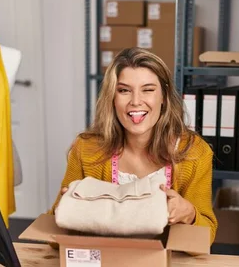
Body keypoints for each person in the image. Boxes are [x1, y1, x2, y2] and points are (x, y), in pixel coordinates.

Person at [48, 47, 218, 243]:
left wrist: (189, 214)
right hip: (102, 263)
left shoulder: (194, 153)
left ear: (163, 96)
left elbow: (206, 239)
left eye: (148, 90)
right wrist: (68, 207)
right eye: (124, 91)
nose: (136, 101)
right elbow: (54, 234)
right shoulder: (86, 149)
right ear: (112, 98)